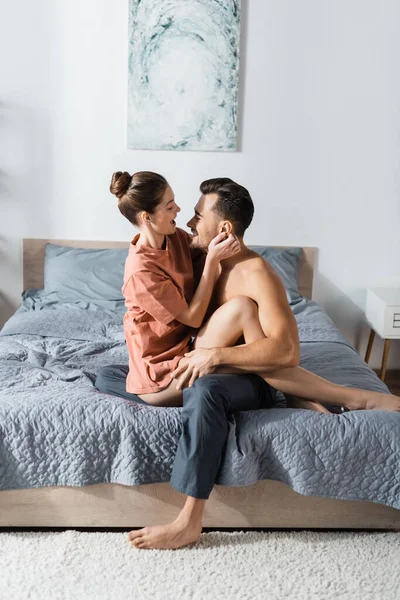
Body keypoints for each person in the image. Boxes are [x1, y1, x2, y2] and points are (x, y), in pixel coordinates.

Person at [95, 173, 400, 550]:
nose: (188, 222)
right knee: (108, 375)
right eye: (177, 210)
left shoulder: (254, 272)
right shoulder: (193, 252)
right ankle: (294, 393)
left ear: (222, 226)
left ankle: (190, 519)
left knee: (207, 385)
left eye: (195, 215)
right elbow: (165, 265)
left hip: (242, 371)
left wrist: (215, 355)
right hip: (203, 358)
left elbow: (286, 353)